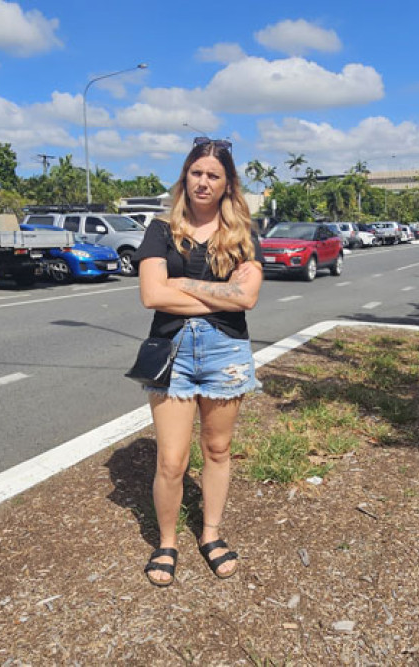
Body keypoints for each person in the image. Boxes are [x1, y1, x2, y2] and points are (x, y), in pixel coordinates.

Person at [132, 137, 264, 587]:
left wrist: (183, 282)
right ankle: (166, 542)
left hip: (226, 352)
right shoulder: (159, 230)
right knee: (171, 460)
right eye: (196, 172)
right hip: (171, 350)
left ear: (227, 185)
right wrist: (221, 297)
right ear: (184, 176)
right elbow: (152, 295)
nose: (203, 182)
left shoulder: (244, 234)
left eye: (213, 175)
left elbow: (247, 297)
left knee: (217, 450)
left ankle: (210, 533)